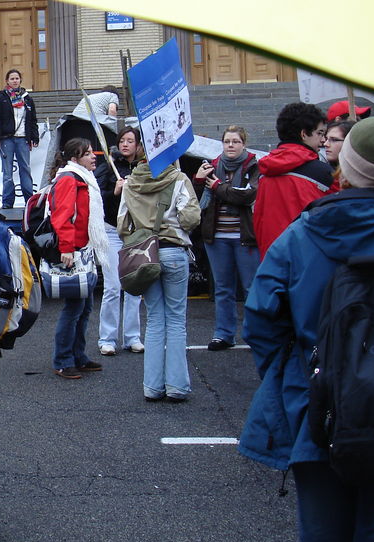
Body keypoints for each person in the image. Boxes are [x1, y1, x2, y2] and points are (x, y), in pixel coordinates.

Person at [238, 116, 374, 542]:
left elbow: (262, 318)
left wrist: (294, 383)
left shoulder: (303, 236)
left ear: (344, 163)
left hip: (319, 408)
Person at [118, 158, 200, 402]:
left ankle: (152, 387)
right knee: (176, 319)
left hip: (146, 255)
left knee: (154, 319)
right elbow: (190, 219)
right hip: (174, 251)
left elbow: (123, 225)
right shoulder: (178, 178)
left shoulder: (131, 183)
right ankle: (177, 387)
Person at [193, 125, 260, 350]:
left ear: (244, 144)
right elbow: (198, 201)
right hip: (217, 235)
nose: (231, 145)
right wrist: (200, 181)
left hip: (245, 235)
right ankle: (223, 334)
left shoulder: (254, 165)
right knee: (223, 288)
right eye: (227, 141)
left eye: (236, 141)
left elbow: (248, 195)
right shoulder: (211, 166)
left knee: (251, 287)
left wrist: (218, 186)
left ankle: (256, 334)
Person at [49, 138, 109, 379]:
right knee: (74, 308)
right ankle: (63, 360)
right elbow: (62, 216)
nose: (93, 156)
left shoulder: (82, 178)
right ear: (74, 158)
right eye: (87, 154)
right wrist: (67, 249)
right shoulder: (68, 179)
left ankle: (78, 356)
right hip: (74, 251)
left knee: (84, 307)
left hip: (83, 249)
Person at [253, 102, 332, 259]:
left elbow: (258, 220)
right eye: (320, 133)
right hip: (311, 260)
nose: (323, 140)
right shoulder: (324, 174)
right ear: (304, 134)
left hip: (272, 259)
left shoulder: (264, 172)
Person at [93, 126, 146, 356]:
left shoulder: (145, 169)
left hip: (136, 232)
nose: (125, 144)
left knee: (134, 287)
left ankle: (132, 337)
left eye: (130, 141)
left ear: (138, 145)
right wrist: (114, 192)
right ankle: (107, 338)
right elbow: (95, 198)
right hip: (112, 231)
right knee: (113, 286)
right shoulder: (108, 167)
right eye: (122, 140)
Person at [0, 68, 39, 209]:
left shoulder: (27, 98)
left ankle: (29, 202)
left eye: (17, 78)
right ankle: (7, 202)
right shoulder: (1, 98)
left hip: (23, 139)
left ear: (20, 80)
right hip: (7, 140)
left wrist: (34, 137)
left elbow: (33, 119)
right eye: (12, 79)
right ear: (7, 81)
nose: (15, 81)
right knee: (7, 172)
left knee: (25, 169)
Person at [320, 120, 354, 194]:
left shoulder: (359, 178)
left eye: (334, 140)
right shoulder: (323, 172)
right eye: (326, 139)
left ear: (348, 142)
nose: (326, 144)